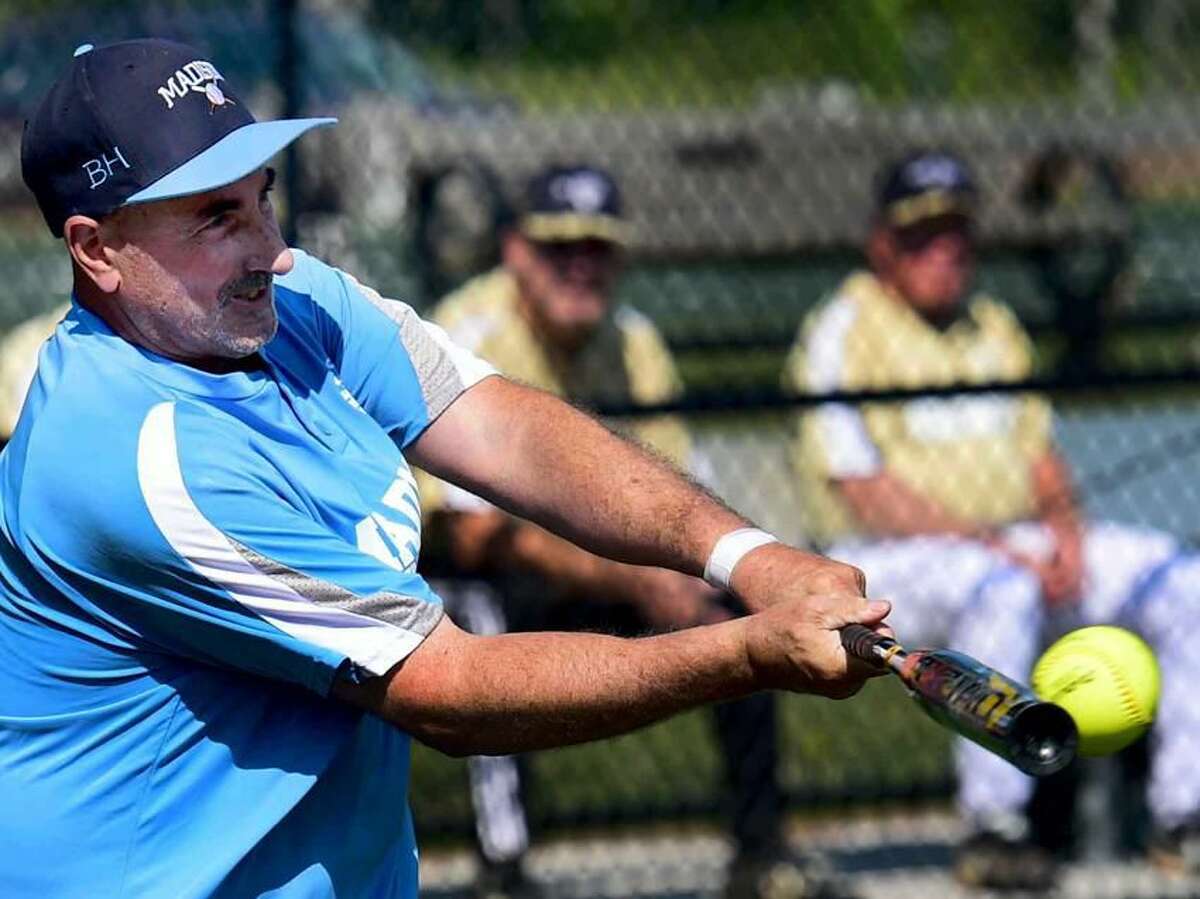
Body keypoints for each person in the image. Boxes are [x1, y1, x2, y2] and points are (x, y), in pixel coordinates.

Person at [0, 39, 889, 899]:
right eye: (217, 217)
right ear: (96, 249)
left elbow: (503, 428)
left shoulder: (297, 303)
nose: (267, 246)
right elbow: (450, 692)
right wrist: (746, 650)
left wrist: (751, 558)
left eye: (262, 197)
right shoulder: (142, 462)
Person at [783, 149, 1200, 890]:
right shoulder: (841, 328)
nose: (944, 249)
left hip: (1017, 541)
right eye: (922, 234)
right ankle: (995, 824)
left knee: (1181, 577)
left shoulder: (994, 324)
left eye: (957, 233)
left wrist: (1067, 538)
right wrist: (1003, 547)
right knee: (996, 588)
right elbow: (864, 489)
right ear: (883, 243)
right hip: (880, 561)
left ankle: (1184, 815)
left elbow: (1041, 456)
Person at [419, 164, 836, 899]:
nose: (581, 267)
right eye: (559, 248)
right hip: (477, 572)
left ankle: (760, 851)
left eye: (599, 250)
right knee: (480, 619)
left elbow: (680, 501)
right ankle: (503, 867)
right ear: (515, 250)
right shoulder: (462, 332)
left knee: (741, 621)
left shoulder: (635, 342)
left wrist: (693, 580)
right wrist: (637, 578)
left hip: (605, 572)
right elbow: (469, 533)